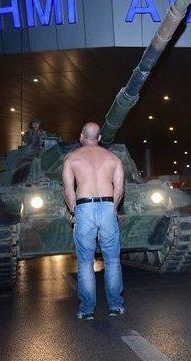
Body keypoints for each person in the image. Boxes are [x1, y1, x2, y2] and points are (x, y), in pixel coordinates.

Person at [62, 122, 125, 320]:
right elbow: (119, 189)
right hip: (107, 206)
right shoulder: (113, 158)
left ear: (82, 136)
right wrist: (112, 208)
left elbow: (68, 189)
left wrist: (74, 211)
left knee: (85, 262)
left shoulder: (71, 158)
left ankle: (87, 310)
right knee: (112, 260)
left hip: (84, 208)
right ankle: (115, 306)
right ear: (98, 138)